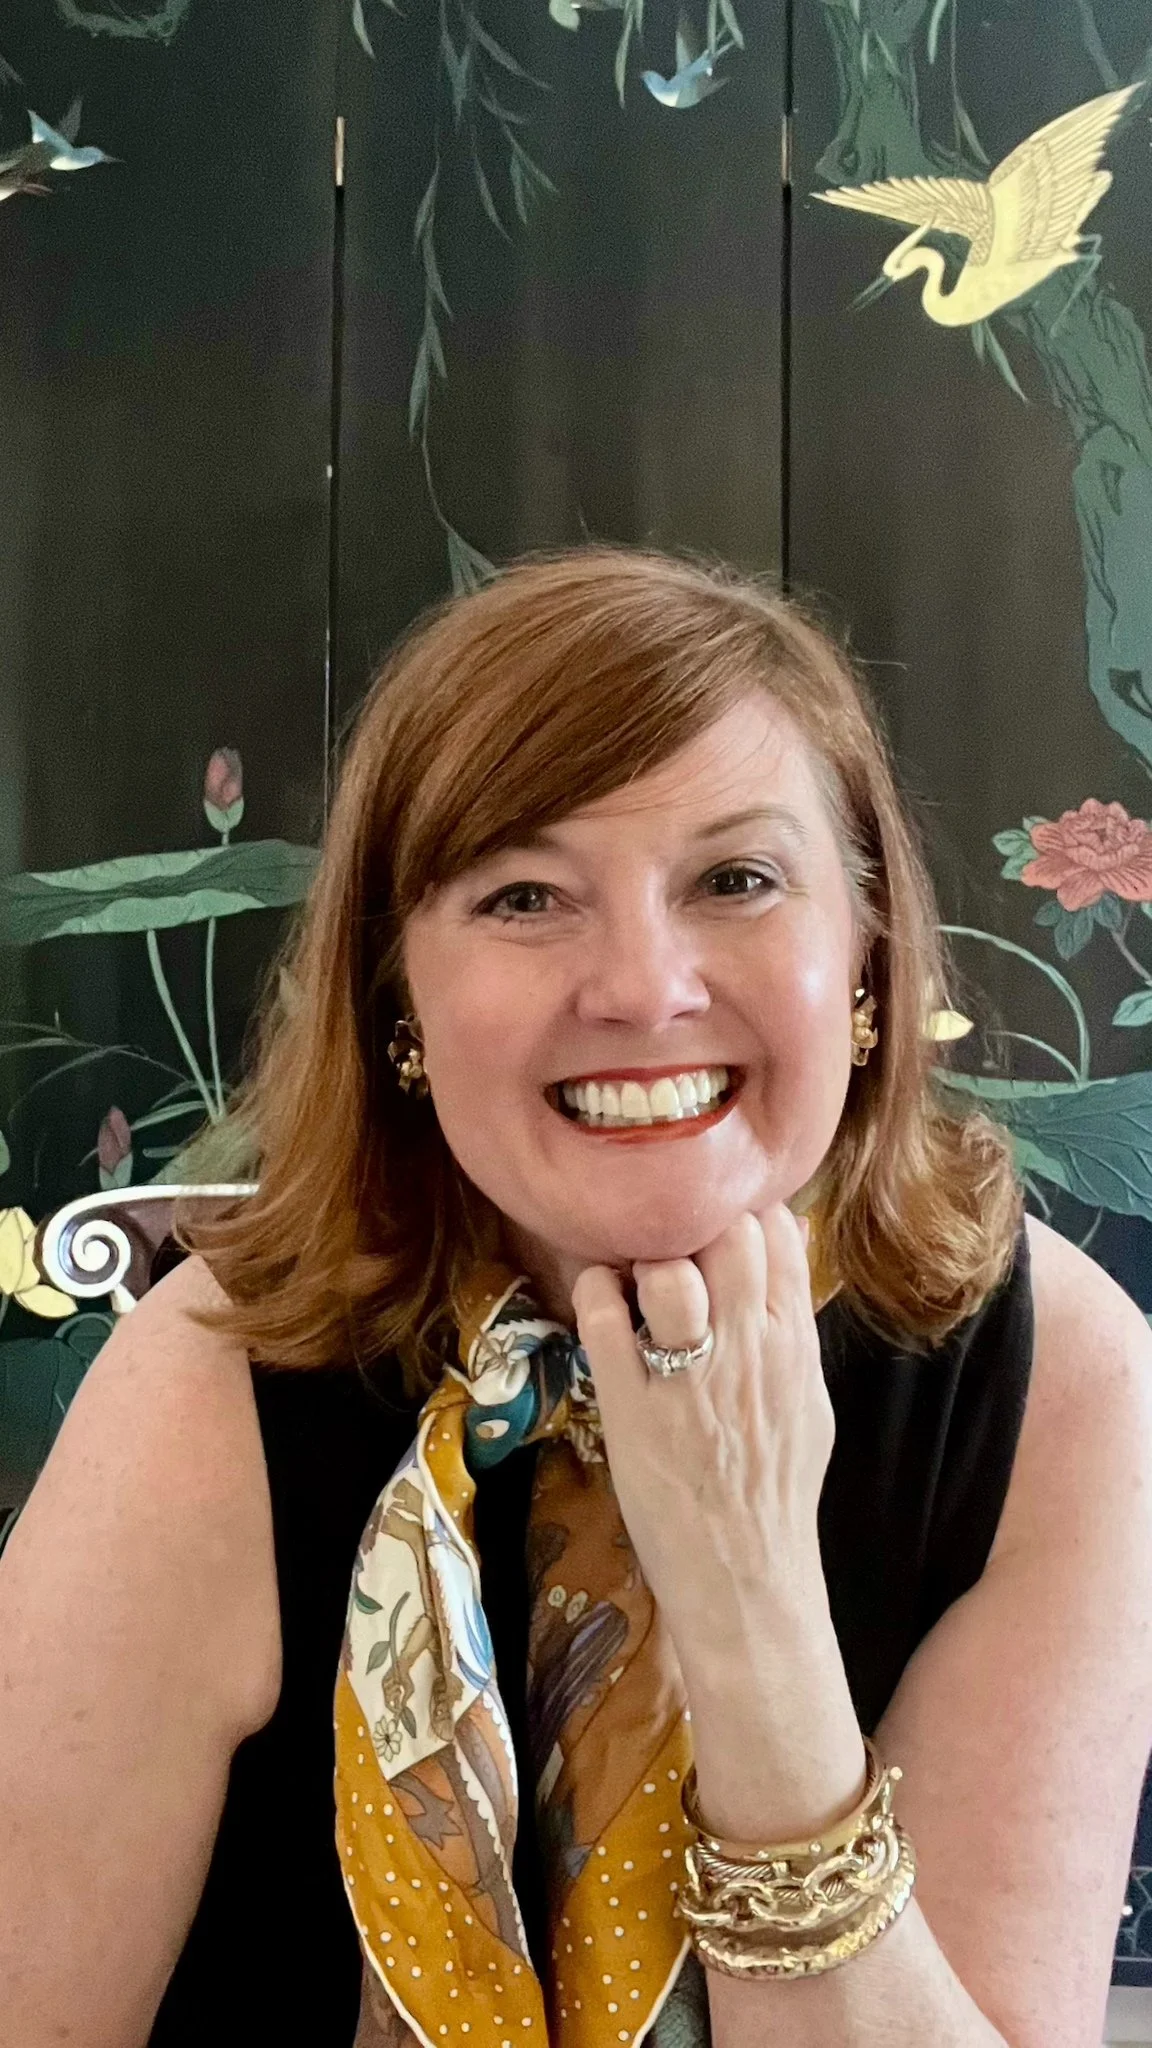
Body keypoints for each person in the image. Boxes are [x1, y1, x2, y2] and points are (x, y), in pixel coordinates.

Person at [1, 544, 1150, 2048]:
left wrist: (752, 1617)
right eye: (527, 895)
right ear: (398, 1000)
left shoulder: (1063, 1383)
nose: (641, 985)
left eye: (736, 878)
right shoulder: (213, 1379)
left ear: (866, 960)